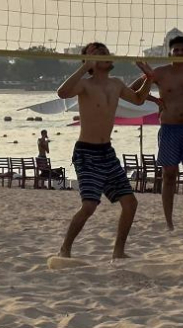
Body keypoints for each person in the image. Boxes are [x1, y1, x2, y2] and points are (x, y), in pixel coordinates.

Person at [56, 42, 154, 260]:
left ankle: (118, 251)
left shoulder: (116, 84)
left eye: (105, 52)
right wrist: (84, 67)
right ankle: (65, 249)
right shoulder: (85, 84)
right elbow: (62, 92)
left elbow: (138, 99)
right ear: (90, 63)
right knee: (89, 205)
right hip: (86, 152)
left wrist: (149, 78)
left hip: (107, 152)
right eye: (97, 54)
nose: (104, 55)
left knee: (130, 203)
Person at [132, 35, 183, 231]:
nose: (179, 53)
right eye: (176, 50)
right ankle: (169, 222)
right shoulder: (160, 72)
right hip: (169, 128)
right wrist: (156, 101)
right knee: (169, 174)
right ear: (170, 53)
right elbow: (134, 88)